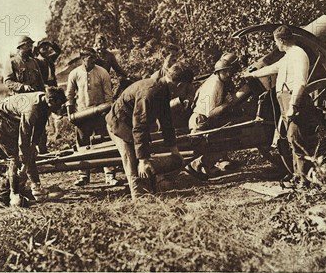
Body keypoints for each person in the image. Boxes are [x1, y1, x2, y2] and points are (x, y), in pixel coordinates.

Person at [105, 62, 195, 200]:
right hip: (119, 125)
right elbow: (139, 126)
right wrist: (142, 159)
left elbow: (167, 122)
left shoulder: (164, 89)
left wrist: (174, 150)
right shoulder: (151, 92)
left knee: (147, 156)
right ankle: (139, 199)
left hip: (133, 124)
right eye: (187, 88)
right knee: (132, 161)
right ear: (180, 85)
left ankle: (152, 188)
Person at [243, 25, 312, 183]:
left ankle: (305, 178)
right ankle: (298, 175)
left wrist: (293, 105)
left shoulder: (299, 54)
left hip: (293, 100)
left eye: (276, 42)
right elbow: (274, 68)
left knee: (296, 138)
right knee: (290, 138)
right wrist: (252, 75)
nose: (276, 45)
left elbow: (301, 82)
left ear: (281, 40)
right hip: (284, 100)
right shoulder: (289, 55)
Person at [0, 87, 67, 207]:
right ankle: (14, 195)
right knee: (15, 157)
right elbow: (24, 134)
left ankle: (36, 188)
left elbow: (40, 125)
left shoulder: (44, 101)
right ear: (52, 101)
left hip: (11, 118)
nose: (60, 108)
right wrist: (24, 152)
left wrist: (34, 145)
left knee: (30, 152)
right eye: (59, 105)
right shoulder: (31, 110)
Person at [66, 47, 118, 187]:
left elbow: (109, 95)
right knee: (82, 144)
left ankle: (109, 174)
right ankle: (83, 175)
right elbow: (70, 96)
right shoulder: (74, 74)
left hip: (100, 113)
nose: (94, 59)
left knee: (105, 144)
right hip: (82, 114)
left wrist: (107, 112)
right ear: (83, 58)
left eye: (95, 57)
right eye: (91, 57)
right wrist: (70, 114)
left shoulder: (102, 72)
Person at [185, 53, 242, 179]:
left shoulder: (218, 80)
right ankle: (195, 165)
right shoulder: (214, 85)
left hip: (203, 120)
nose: (229, 75)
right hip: (201, 122)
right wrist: (227, 104)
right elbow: (210, 113)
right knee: (223, 145)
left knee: (224, 139)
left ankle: (206, 168)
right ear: (219, 71)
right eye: (225, 72)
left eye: (230, 71)